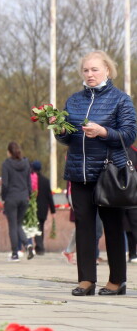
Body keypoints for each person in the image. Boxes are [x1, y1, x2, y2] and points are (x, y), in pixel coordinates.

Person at [56, 50, 136, 296]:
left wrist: (104, 132)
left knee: (112, 226)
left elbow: (129, 135)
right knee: (84, 227)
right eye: (86, 70)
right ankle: (86, 280)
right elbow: (68, 138)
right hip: (78, 174)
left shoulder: (121, 100)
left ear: (107, 71)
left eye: (95, 70)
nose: (90, 75)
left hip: (108, 173)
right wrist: (59, 130)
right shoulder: (74, 101)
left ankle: (117, 281)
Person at [2, 141, 34, 262]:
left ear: (9, 152)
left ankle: (15, 254)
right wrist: (29, 195)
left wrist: (4, 197)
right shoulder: (26, 163)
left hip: (11, 197)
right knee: (19, 224)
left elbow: (4, 184)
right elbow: (29, 181)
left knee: (12, 226)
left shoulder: (6, 164)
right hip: (24, 197)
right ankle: (27, 244)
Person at [30, 161, 56, 255]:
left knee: (36, 227)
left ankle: (40, 248)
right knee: (40, 227)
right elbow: (49, 196)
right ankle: (39, 247)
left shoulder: (31, 179)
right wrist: (53, 210)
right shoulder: (46, 180)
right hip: (43, 208)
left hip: (34, 207)